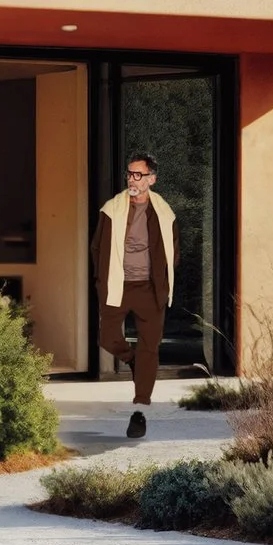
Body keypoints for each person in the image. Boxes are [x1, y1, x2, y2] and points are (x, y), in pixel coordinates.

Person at [91, 155, 174, 438]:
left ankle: (140, 412)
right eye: (130, 174)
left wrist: (162, 282)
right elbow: (97, 248)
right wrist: (101, 282)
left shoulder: (164, 213)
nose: (132, 179)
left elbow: (173, 251)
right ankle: (134, 361)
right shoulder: (111, 210)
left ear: (152, 179)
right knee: (107, 338)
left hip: (150, 289)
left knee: (149, 348)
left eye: (139, 175)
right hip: (118, 285)